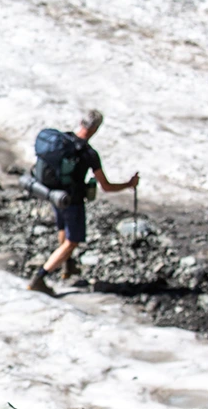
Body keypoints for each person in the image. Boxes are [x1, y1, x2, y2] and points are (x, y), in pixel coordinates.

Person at [24, 108, 139, 295]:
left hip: (54, 194)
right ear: (96, 128)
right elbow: (106, 186)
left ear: (81, 122)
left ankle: (67, 266)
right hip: (73, 200)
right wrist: (129, 184)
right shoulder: (89, 154)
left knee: (63, 229)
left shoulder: (64, 140)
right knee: (72, 241)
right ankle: (39, 278)